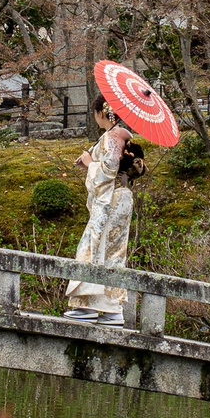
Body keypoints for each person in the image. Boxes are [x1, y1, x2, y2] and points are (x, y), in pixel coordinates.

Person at [66, 104, 140, 324]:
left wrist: (90, 164)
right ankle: (111, 309)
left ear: (101, 113)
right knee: (112, 252)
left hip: (111, 200)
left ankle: (88, 305)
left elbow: (108, 169)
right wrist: (90, 166)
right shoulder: (121, 135)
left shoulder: (113, 136)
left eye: (94, 113)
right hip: (121, 197)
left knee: (93, 247)